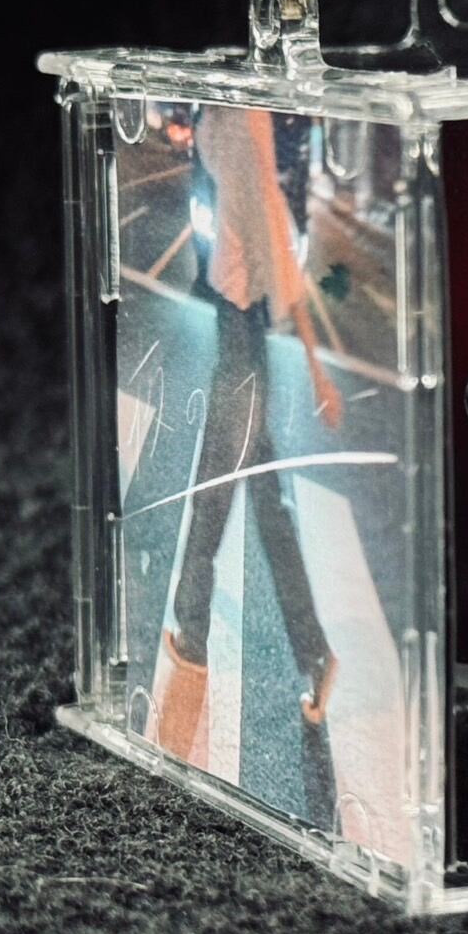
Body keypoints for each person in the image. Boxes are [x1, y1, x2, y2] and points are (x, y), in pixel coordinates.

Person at [151, 106, 341, 764]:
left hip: (243, 331)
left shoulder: (240, 121)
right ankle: (313, 654)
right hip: (236, 325)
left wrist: (316, 365)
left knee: (213, 499)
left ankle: (191, 646)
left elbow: (270, 232)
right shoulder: (223, 112)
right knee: (266, 506)